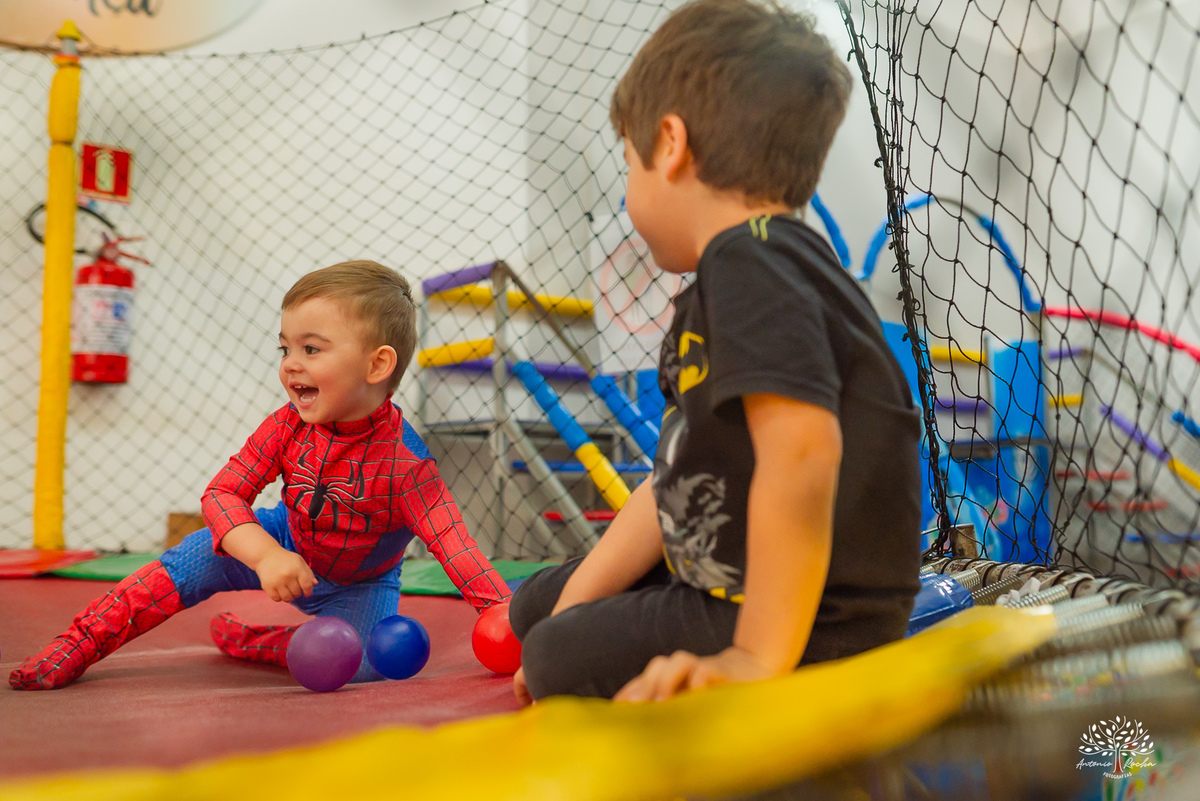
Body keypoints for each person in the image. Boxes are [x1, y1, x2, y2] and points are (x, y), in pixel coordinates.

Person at [509, 0, 922, 704]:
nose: (631, 187)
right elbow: (670, 481)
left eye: (630, 162)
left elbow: (804, 450)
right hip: (736, 573)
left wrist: (754, 654)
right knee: (539, 607)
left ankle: (748, 637)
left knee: (552, 654)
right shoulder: (760, 267)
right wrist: (576, 604)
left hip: (811, 616)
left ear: (669, 145)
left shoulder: (749, 263)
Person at [11, 261, 511, 690]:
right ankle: (77, 644)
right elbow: (223, 493)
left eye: (311, 350)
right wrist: (266, 553)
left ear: (377, 364)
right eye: (285, 349)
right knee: (185, 563)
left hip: (361, 582)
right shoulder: (286, 425)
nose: (291, 366)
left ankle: (257, 641)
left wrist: (507, 617)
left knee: (354, 665)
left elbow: (455, 546)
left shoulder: (407, 464)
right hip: (281, 539)